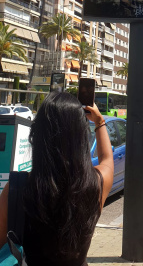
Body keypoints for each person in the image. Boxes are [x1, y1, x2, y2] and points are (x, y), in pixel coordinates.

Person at [0, 91, 114, 265]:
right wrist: (100, 122)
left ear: (37, 136)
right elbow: (107, 160)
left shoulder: (16, 188)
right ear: (82, 137)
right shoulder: (96, 185)